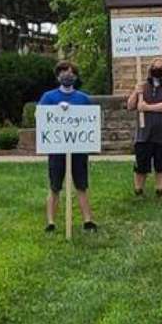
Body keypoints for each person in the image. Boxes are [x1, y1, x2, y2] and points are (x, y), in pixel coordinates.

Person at [38, 61, 98, 233]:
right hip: (56, 149)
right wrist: (56, 111)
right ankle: (50, 222)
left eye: (71, 72)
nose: (68, 75)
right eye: (64, 72)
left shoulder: (83, 99)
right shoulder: (48, 97)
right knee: (55, 186)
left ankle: (88, 220)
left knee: (81, 185)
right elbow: (41, 118)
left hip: (78, 149)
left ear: (76, 77)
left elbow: (90, 122)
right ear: (58, 76)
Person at [127, 57, 162, 198]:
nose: (157, 70)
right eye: (155, 67)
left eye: (161, 68)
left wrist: (147, 107)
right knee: (141, 165)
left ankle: (159, 190)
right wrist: (136, 92)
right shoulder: (143, 87)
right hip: (144, 134)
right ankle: (138, 191)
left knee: (161, 165)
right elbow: (130, 106)